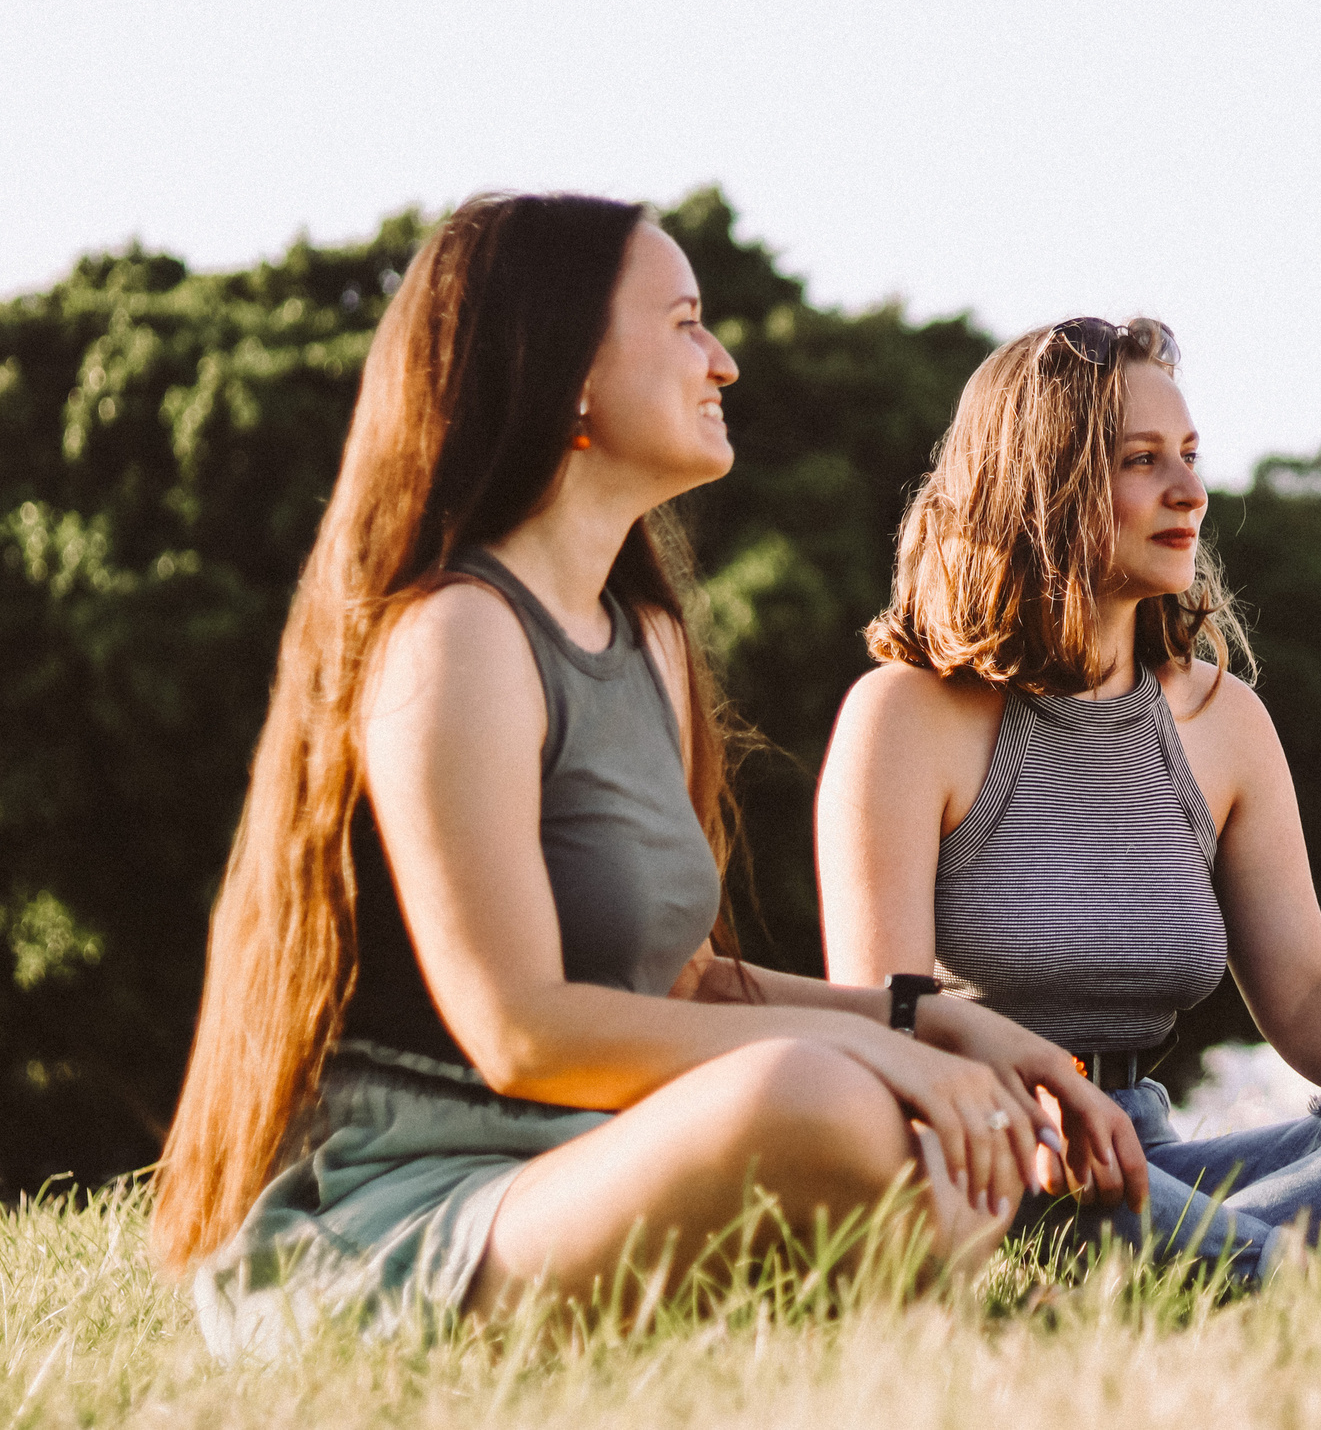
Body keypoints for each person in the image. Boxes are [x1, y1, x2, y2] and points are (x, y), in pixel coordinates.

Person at [153, 195, 1143, 1355]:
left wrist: (940, 1026)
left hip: (591, 1164)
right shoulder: (457, 636)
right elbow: (521, 1032)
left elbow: (677, 986)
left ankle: (944, 1319)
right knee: (820, 1103)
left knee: (874, 1109)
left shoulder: (648, 640)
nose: (722, 361)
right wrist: (870, 1054)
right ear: (566, 371)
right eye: (683, 325)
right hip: (417, 1209)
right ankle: (945, 1312)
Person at [815, 315, 1321, 1282]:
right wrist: (1036, 1128)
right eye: (1142, 460)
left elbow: (1311, 996)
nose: (1190, 491)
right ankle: (1294, 1284)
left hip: (1151, 1154)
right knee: (1105, 1205)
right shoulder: (908, 715)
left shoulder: (1220, 721)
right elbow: (885, 1021)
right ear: (1045, 484)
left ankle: (1210, 1269)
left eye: (1191, 456)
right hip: (996, 1161)